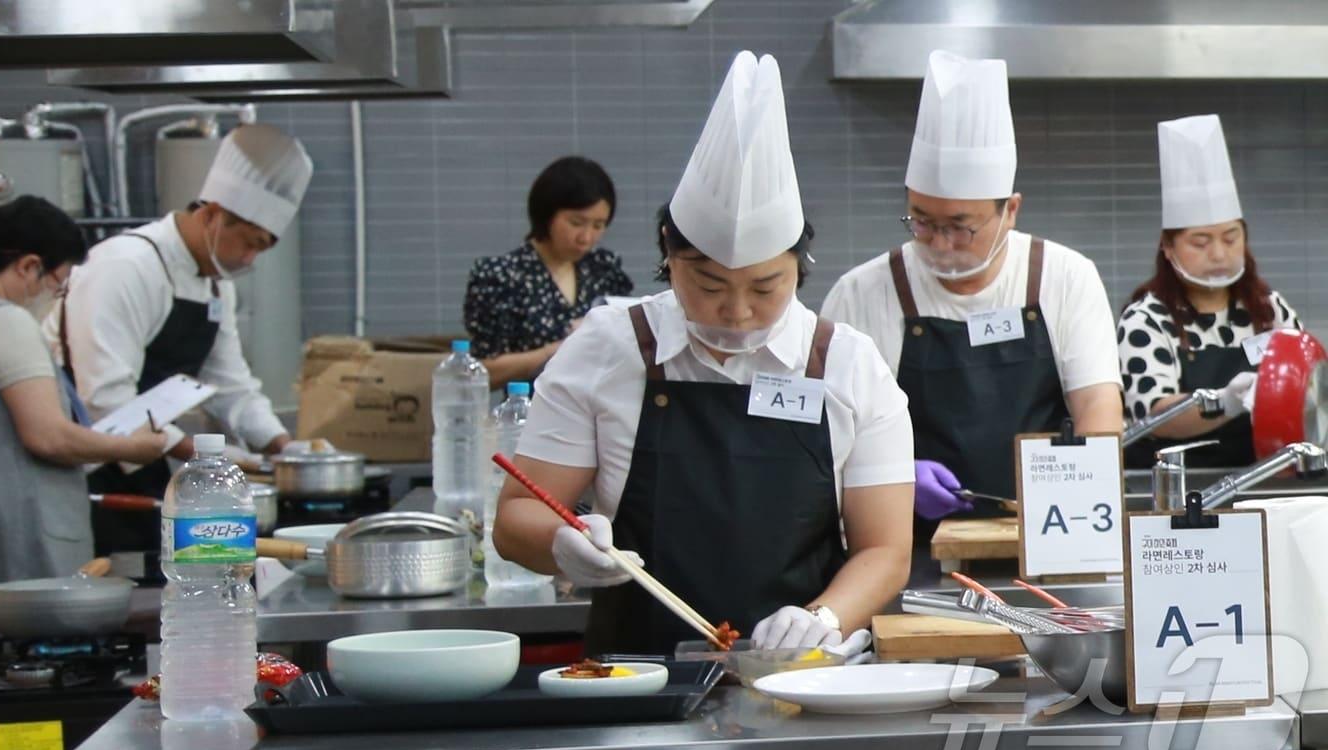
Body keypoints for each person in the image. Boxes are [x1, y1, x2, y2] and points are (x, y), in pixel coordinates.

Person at [494, 51, 913, 670]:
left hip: (803, 680)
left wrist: (823, 618)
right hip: (633, 681)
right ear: (669, 254)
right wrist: (561, 543)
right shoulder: (608, 347)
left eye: (767, 287)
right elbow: (515, 517)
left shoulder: (848, 364)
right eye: (710, 286)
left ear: (801, 266)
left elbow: (886, 551)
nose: (737, 312)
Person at [821, 50, 1123, 534]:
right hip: (900, 544)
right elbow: (829, 438)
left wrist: (1077, 525)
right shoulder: (861, 293)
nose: (940, 245)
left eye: (961, 228)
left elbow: (1099, 415)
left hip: (1044, 535)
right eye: (922, 222)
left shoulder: (1064, 276)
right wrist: (897, 478)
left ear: (1011, 211)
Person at [0, 197, 167, 689]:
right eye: (57, 284)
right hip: (16, 544)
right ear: (29, 266)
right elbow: (47, 436)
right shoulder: (2, 322)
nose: (52, 295)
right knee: (29, 681)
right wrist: (132, 449)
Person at [42, 123, 313, 556]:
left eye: (261, 250)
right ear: (213, 215)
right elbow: (105, 397)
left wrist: (284, 447)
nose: (249, 259)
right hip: (80, 468)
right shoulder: (126, 266)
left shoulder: (213, 284)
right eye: (249, 243)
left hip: (142, 461)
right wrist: (202, 454)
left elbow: (230, 384)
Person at [1120, 114, 1302, 469]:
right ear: (1168, 248)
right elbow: (1154, 417)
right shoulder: (1146, 320)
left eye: (1230, 238)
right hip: (1175, 490)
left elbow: (1304, 389)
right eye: (1200, 242)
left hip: (1260, 479)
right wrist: (1227, 401)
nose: (1219, 254)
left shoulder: (1269, 310)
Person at [463, 156, 633, 388]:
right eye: (576, 223)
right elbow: (482, 371)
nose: (586, 238)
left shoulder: (604, 268)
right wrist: (555, 351)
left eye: (598, 225)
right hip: (531, 410)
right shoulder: (500, 275)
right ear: (546, 215)